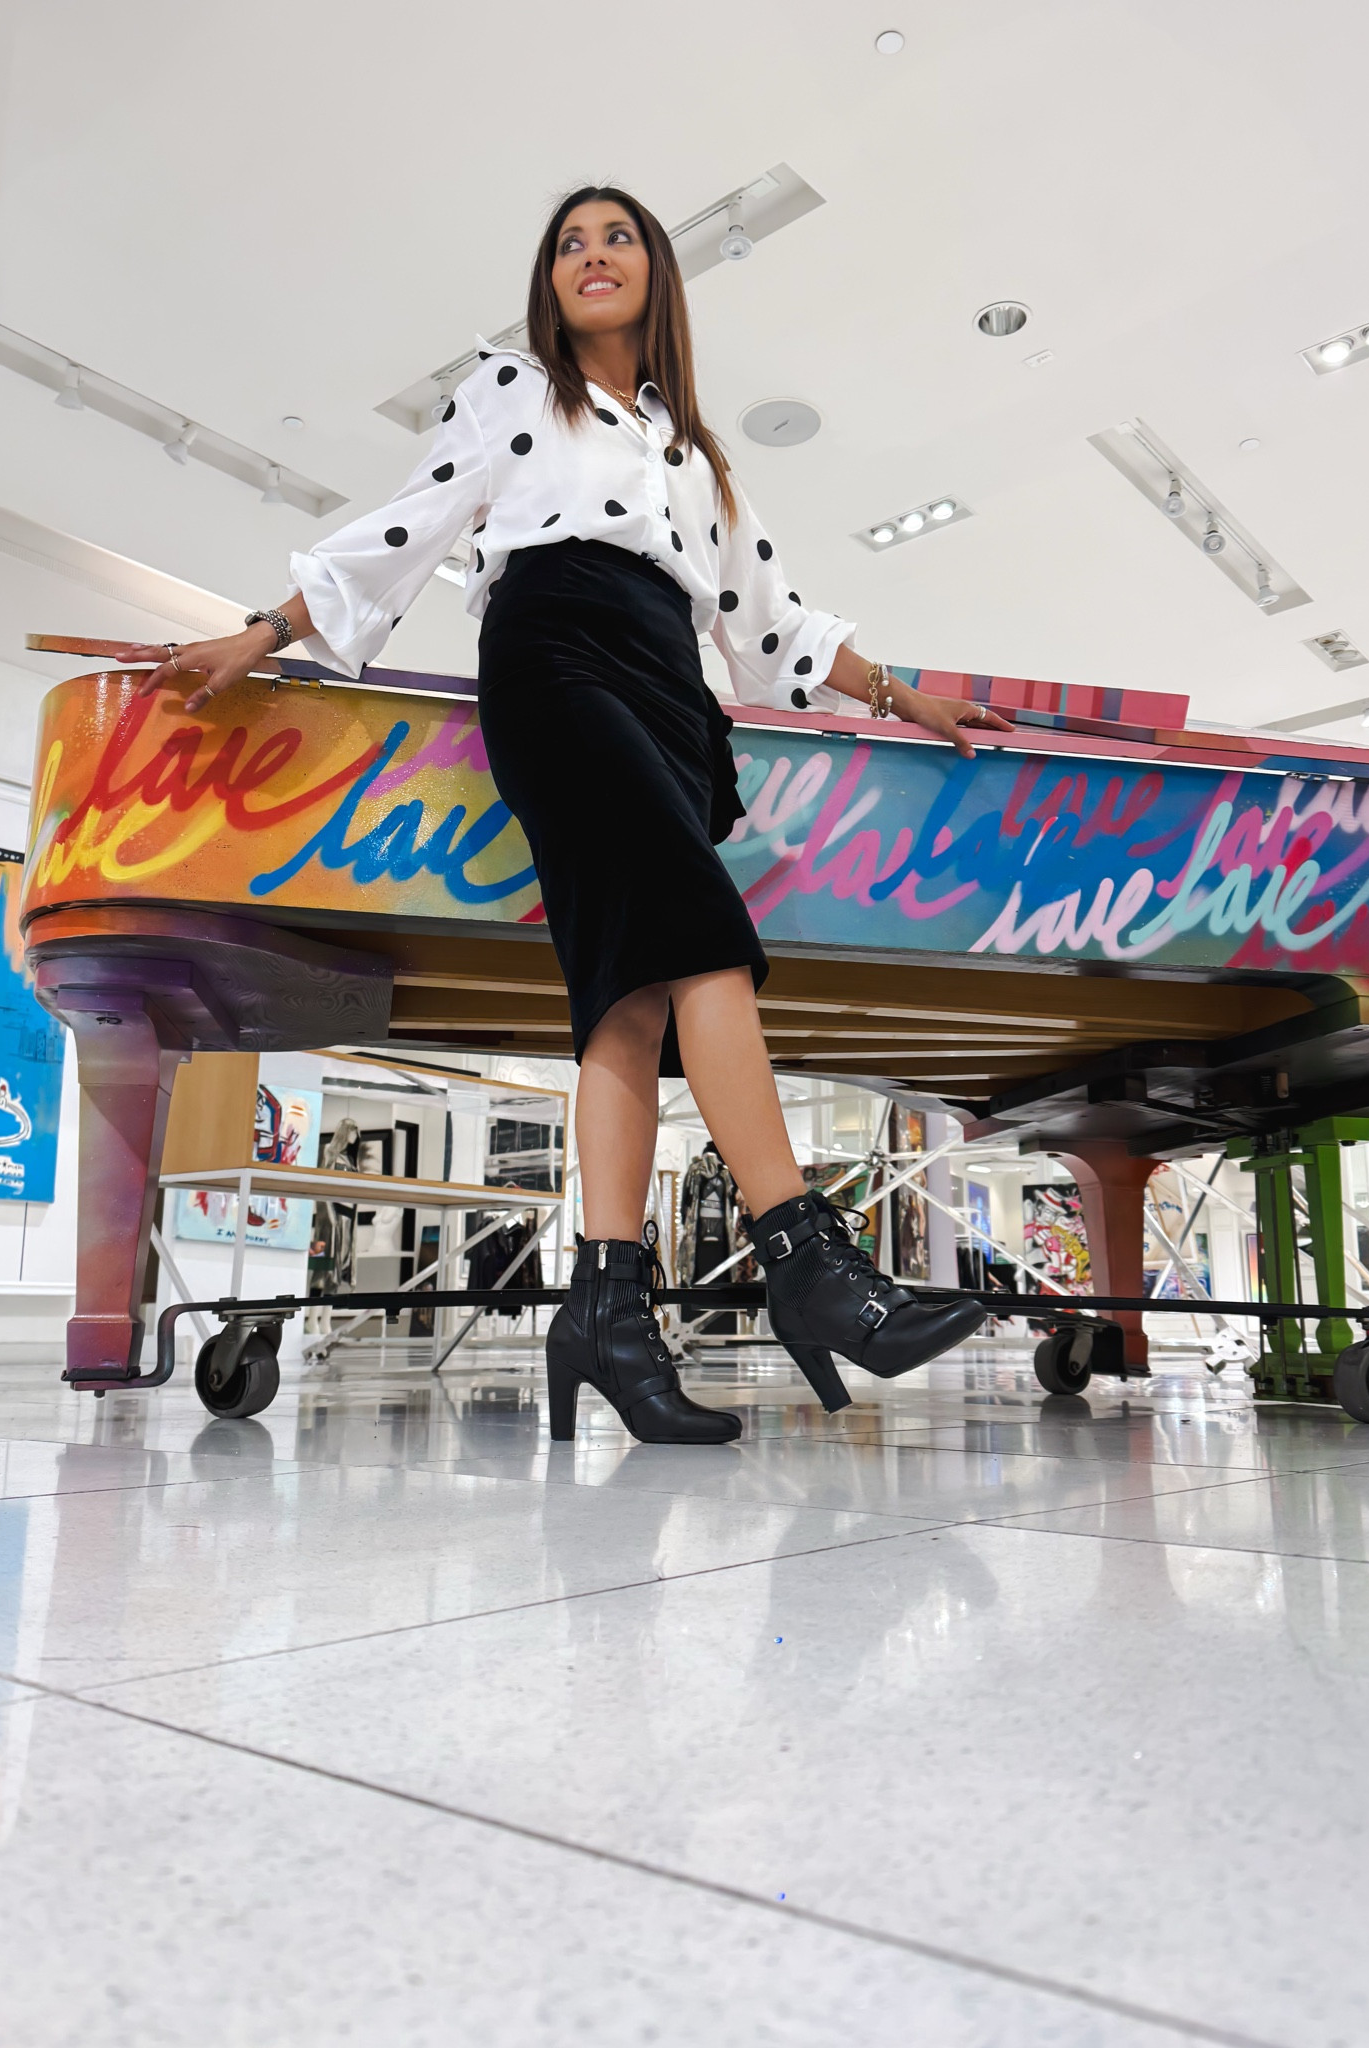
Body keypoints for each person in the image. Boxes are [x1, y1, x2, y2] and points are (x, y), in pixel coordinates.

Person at [113, 185, 1013, 1446]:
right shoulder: (510, 390)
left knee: (628, 1001)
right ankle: (808, 1264)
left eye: (618, 237)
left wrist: (901, 692)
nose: (592, 256)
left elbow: (772, 624)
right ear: (551, 280)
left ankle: (606, 1316)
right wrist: (261, 632)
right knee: (706, 940)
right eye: (569, 243)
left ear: (657, 275)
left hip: (668, 686)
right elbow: (404, 524)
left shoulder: (698, 460)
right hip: (555, 653)